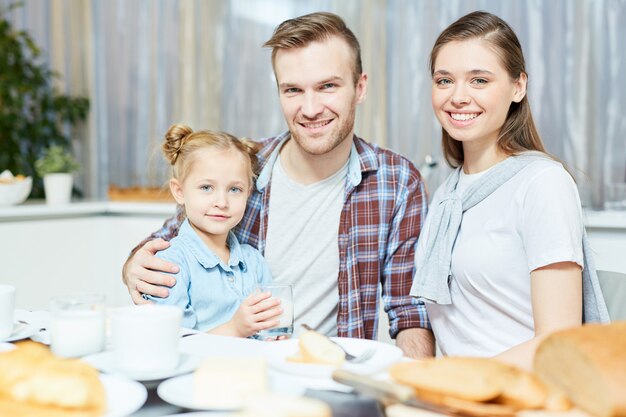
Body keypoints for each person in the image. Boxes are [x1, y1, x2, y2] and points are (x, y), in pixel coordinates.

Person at [122, 12, 434, 357]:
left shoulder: (397, 182)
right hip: (244, 369)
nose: (311, 108)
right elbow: (168, 241)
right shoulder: (243, 167)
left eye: (328, 86)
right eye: (293, 90)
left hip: (333, 374)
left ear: (359, 88)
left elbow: (409, 311)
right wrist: (133, 265)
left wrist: (413, 388)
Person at [410, 11, 609, 370]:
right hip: (465, 395)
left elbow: (557, 340)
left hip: (522, 395)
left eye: (479, 80)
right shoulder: (447, 195)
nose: (458, 97)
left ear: (519, 86)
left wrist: (457, 378)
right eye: (444, 80)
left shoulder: (542, 184)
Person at [145, 124, 282, 338]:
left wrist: (273, 335)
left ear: (248, 193)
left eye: (234, 189)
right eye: (206, 188)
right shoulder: (171, 264)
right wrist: (235, 329)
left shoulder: (254, 261)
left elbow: (271, 323)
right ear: (179, 192)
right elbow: (173, 342)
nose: (221, 202)